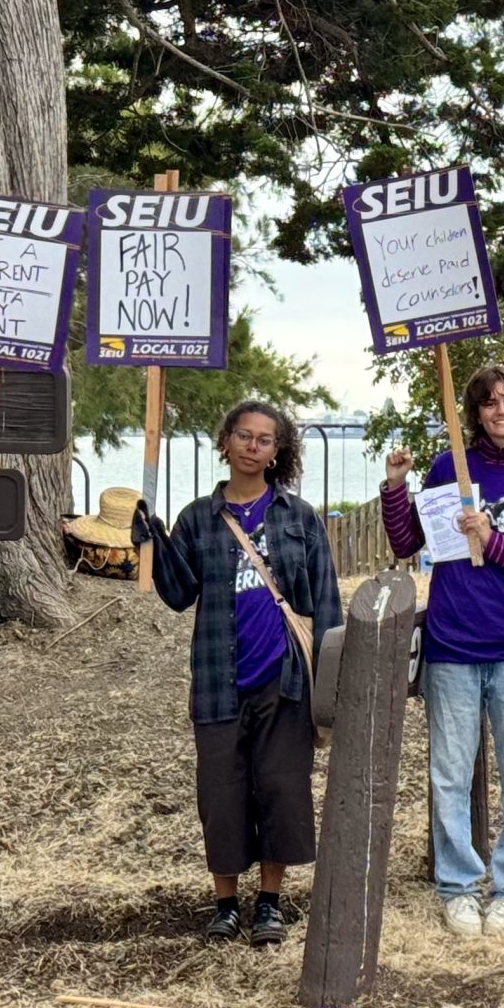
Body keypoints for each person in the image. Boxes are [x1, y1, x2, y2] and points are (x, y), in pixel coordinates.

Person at [138, 400, 343, 946]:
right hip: (217, 679)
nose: (254, 447)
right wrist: (152, 541)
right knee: (222, 794)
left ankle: (270, 902)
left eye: (265, 439)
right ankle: (226, 903)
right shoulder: (197, 519)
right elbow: (178, 594)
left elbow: (325, 604)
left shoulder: (299, 518)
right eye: (244, 436)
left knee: (280, 788)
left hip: (285, 680)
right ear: (225, 441)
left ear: (278, 451)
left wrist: (330, 680)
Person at [380, 364, 504, 939]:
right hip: (453, 645)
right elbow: (410, 542)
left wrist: (491, 538)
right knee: (450, 775)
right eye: (489, 403)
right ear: (477, 413)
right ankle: (457, 886)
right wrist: (394, 486)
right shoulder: (450, 467)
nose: (501, 411)